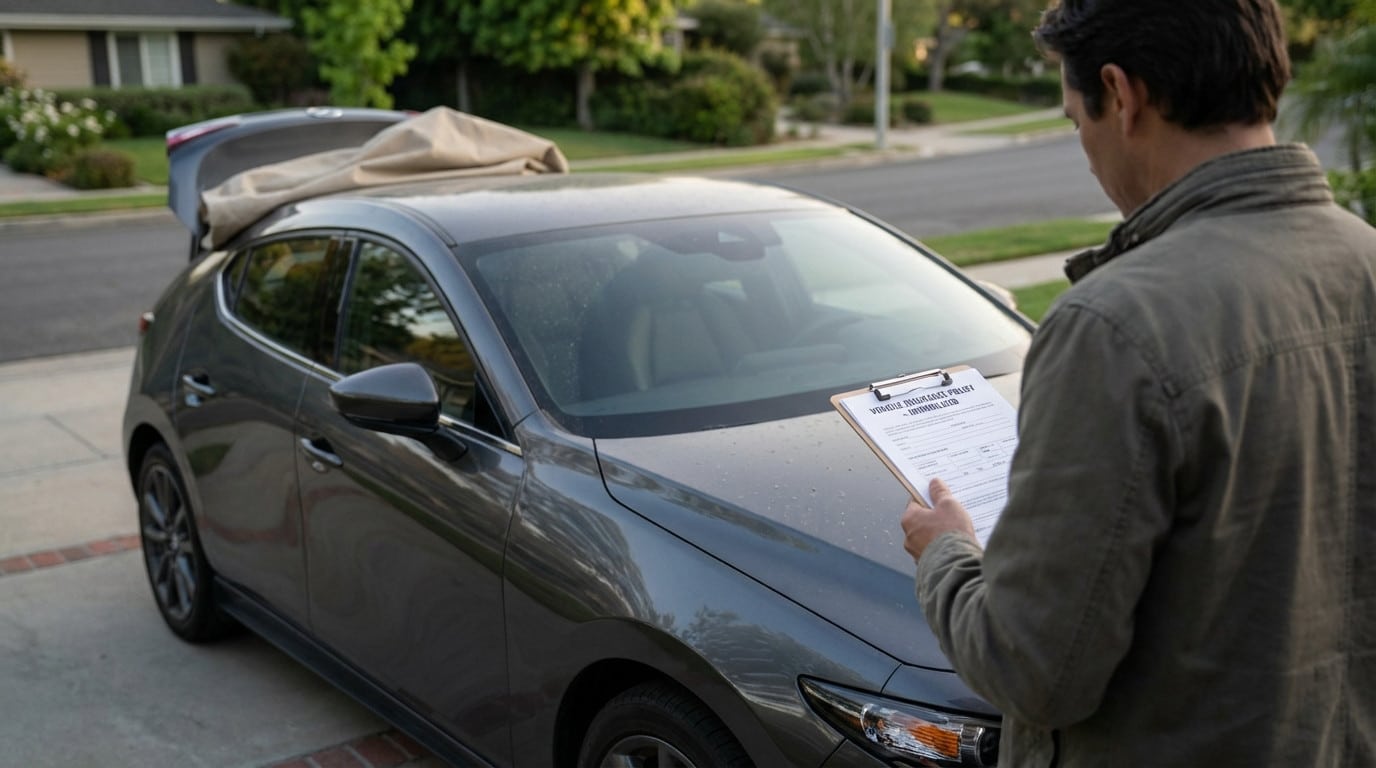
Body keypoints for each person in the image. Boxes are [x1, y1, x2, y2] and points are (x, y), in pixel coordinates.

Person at [899, 1, 1376, 766]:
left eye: (1073, 118)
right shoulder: (1366, 258)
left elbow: (1033, 672)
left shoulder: (1113, 327)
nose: (1085, 148)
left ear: (1121, 96)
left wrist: (946, 555)